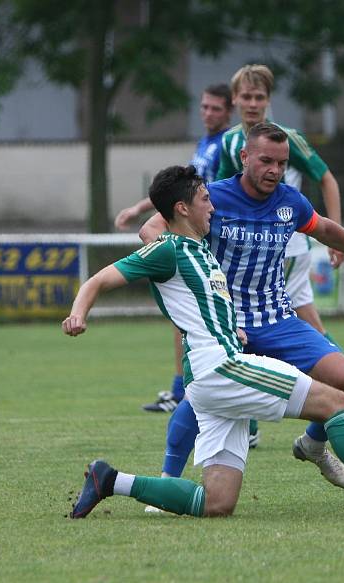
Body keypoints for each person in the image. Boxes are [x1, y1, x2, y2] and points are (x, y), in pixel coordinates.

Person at [65, 164, 344, 520]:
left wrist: (227, 327)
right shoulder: (168, 249)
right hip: (221, 368)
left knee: (217, 503)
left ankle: (110, 480)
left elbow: (189, 305)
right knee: (336, 401)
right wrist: (79, 313)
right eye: (205, 201)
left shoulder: (200, 252)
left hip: (210, 376)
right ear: (182, 209)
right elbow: (98, 280)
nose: (212, 208)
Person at [137, 123, 344, 497]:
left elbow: (323, 228)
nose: (274, 169)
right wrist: (177, 260)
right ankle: (166, 484)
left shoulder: (290, 202)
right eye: (266, 161)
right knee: (195, 401)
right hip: (226, 325)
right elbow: (151, 229)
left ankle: (312, 445)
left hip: (277, 319)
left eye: (282, 162)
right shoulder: (213, 197)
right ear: (245, 158)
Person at [215, 64, 344, 434]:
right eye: (247, 97)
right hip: (248, 249)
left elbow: (325, 178)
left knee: (282, 323)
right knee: (290, 324)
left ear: (269, 101)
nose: (253, 103)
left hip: (287, 245)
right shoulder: (229, 142)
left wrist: (340, 237)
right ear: (235, 101)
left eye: (260, 97)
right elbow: (216, 194)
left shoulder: (288, 137)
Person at [114, 83, 233, 413]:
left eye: (216, 108)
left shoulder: (228, 143)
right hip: (190, 234)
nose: (208, 113)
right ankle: (182, 389)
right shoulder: (205, 143)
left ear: (229, 110)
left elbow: (207, 192)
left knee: (213, 320)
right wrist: (139, 208)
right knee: (186, 316)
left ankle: (197, 394)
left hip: (211, 237)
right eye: (204, 106)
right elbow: (176, 186)